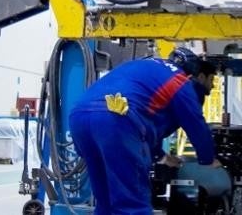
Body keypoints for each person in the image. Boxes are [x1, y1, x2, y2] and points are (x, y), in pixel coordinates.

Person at [69, 47, 222, 215]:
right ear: (195, 76)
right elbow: (195, 123)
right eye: (211, 80)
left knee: (106, 200)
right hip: (117, 118)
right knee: (131, 204)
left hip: (79, 118)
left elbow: (147, 128)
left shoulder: (145, 67)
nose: (212, 85)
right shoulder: (180, 80)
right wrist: (208, 159)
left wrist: (162, 156)